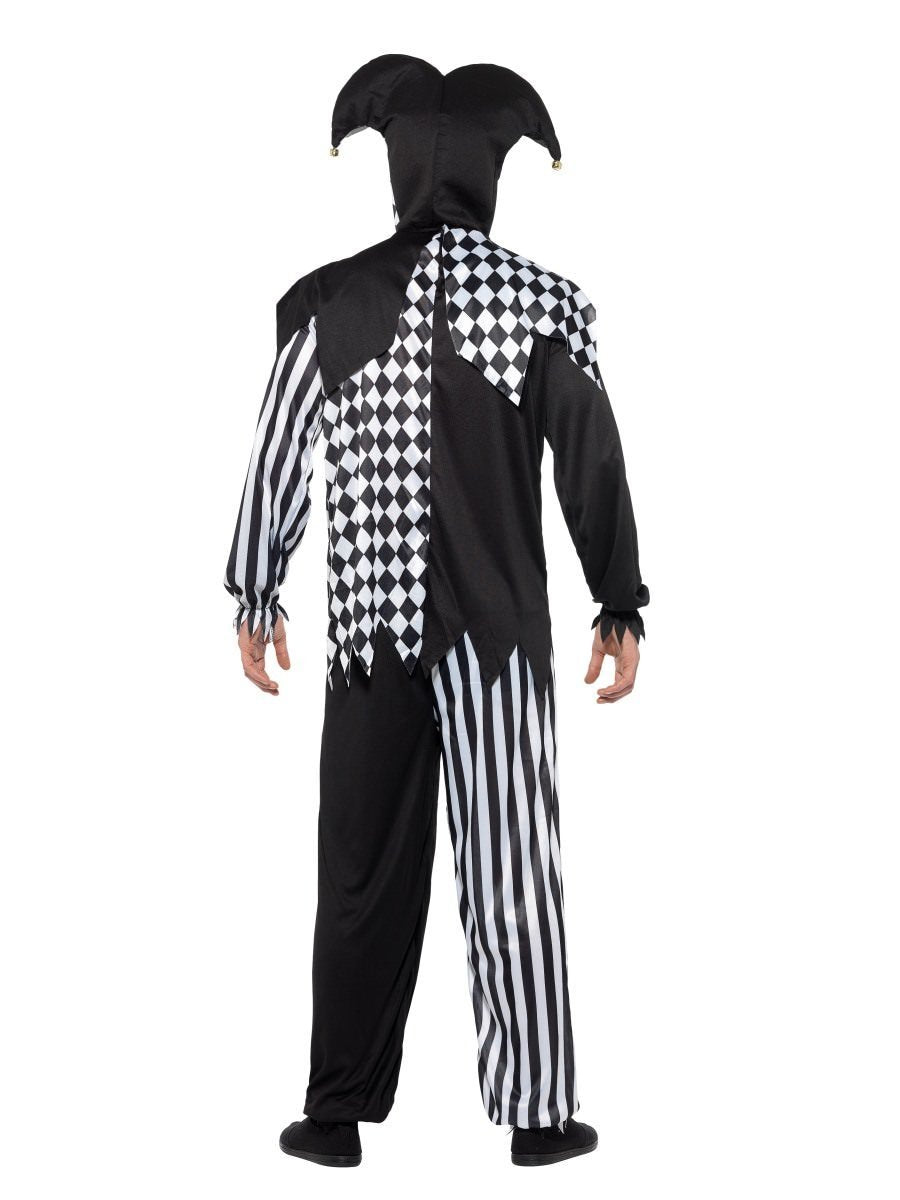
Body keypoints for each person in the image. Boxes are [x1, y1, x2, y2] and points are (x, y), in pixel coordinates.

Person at [224, 54, 649, 1169]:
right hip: (495, 638)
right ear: (494, 173)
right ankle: (539, 1116)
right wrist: (619, 600)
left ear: (395, 168)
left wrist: (257, 583)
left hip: (371, 636)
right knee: (513, 864)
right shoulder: (542, 304)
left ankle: (335, 1113)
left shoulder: (330, 301)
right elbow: (592, 463)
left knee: (359, 872)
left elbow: (278, 451)